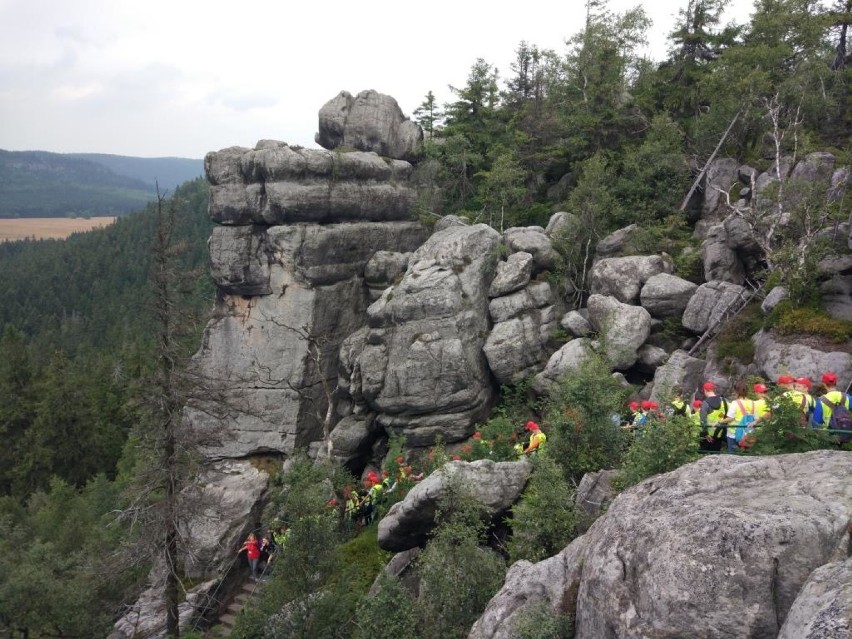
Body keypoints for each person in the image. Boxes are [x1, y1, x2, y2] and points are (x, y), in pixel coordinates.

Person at [722, 381, 758, 452]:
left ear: (736, 391)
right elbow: (756, 418)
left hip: (734, 433)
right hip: (748, 434)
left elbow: (730, 418)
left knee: (733, 454)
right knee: (747, 454)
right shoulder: (753, 403)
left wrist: (720, 421)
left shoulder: (735, 403)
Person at [698, 382, 727, 451]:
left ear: (705, 390)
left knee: (704, 454)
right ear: (713, 389)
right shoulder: (724, 401)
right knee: (715, 454)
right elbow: (727, 415)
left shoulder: (705, 403)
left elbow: (703, 420)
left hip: (708, 435)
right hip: (720, 432)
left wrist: (705, 434)